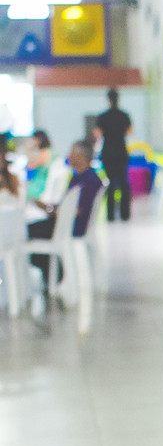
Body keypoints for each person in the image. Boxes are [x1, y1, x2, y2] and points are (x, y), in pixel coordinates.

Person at [26, 141, 103, 293]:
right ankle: (51, 273)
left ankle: (52, 272)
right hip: (65, 222)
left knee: (28, 232)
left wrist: (51, 210)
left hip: (70, 225)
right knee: (32, 229)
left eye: (72, 152)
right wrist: (50, 208)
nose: (69, 156)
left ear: (81, 156)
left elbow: (76, 211)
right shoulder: (82, 177)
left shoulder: (87, 181)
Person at [95, 87, 132, 222]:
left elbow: (98, 135)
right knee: (123, 182)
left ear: (108, 100)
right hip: (121, 151)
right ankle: (125, 214)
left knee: (109, 183)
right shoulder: (124, 115)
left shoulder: (102, 117)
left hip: (108, 152)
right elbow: (129, 132)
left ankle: (110, 215)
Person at [25, 130, 53, 203]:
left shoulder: (43, 154)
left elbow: (29, 166)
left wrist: (29, 149)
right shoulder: (49, 151)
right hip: (46, 185)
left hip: (39, 188)